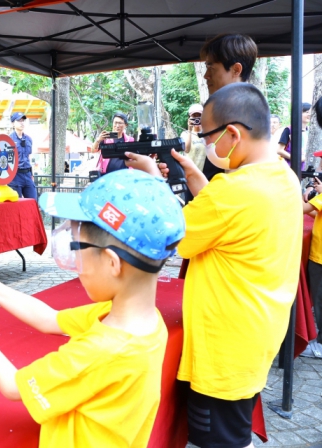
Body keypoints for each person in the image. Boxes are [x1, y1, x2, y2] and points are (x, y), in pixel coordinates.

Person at [0, 169, 185, 447]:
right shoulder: (145, 322)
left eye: (77, 246)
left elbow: (13, 386)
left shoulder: (101, 351)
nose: (74, 258)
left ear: (112, 263)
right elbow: (48, 319)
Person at [125, 83, 302, 448]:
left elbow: (176, 236)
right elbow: (229, 219)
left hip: (223, 349)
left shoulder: (232, 192)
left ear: (233, 134)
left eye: (207, 136)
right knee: (235, 432)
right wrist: (194, 174)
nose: (205, 144)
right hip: (256, 333)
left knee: (220, 441)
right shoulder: (283, 177)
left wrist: (154, 182)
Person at [199, 34, 258, 182]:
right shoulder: (248, 106)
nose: (206, 75)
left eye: (211, 68)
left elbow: (231, 180)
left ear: (236, 69)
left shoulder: (239, 111)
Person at [301, 177, 322, 358]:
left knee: (320, 299)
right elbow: (316, 213)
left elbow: (301, 208)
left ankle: (320, 345)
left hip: (320, 256)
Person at [8, 112, 37, 199]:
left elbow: (28, 157)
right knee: (17, 203)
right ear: (13, 123)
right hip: (15, 176)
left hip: (27, 174)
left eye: (23, 120)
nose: (22, 123)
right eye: (19, 121)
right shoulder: (9, 139)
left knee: (33, 201)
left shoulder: (28, 139)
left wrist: (31, 174)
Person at [277, 102, 312, 170]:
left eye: (311, 112)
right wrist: (297, 159)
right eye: (307, 112)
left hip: (305, 168)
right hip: (290, 167)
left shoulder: (310, 132)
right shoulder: (289, 130)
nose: (309, 114)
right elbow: (279, 150)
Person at [181, 104, 207, 171]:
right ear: (189, 118)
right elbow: (186, 150)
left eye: (199, 116)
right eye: (194, 116)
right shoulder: (185, 134)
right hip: (188, 172)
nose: (197, 119)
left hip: (202, 173)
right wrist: (189, 130)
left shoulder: (206, 134)